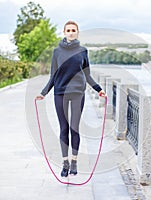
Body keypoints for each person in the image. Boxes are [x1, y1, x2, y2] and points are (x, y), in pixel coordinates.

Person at [36, 21, 106, 177]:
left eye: (73, 30)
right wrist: (43, 92)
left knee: (74, 128)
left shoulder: (83, 51)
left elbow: (87, 75)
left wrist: (98, 89)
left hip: (77, 93)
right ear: (64, 32)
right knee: (63, 129)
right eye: (68, 30)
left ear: (77, 32)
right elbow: (53, 76)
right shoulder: (57, 52)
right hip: (60, 93)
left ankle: (74, 161)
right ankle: (65, 162)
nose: (71, 32)